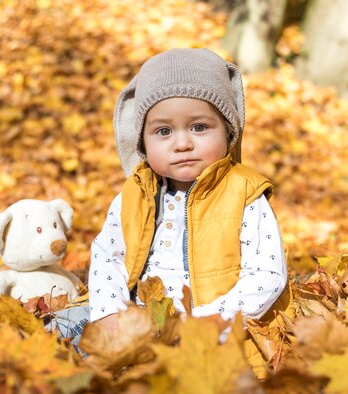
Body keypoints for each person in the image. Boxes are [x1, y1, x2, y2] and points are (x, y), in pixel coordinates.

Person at [86, 48, 288, 334]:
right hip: (137, 319)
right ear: (142, 142)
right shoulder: (134, 195)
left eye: (199, 127)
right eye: (164, 131)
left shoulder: (244, 194)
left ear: (228, 132)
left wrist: (208, 322)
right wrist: (110, 314)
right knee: (64, 327)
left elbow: (266, 275)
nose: (182, 144)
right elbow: (108, 255)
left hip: (213, 324)